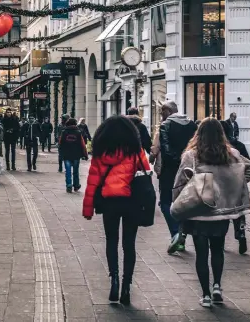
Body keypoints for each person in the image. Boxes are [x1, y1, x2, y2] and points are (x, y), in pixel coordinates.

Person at [172, 118, 250, 308]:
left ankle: (206, 295)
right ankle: (218, 286)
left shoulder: (191, 156)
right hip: (221, 211)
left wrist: (178, 201)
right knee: (217, 249)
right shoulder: (232, 154)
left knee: (201, 254)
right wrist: (233, 186)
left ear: (199, 134)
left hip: (199, 211)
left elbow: (179, 182)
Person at [82, 116, 151, 306]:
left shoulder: (101, 153)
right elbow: (145, 172)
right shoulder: (136, 151)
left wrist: (88, 208)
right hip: (132, 201)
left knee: (111, 240)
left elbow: (93, 182)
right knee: (129, 245)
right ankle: (126, 286)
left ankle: (114, 280)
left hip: (109, 202)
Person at [159, 101, 197, 254]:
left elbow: (166, 151)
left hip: (170, 171)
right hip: (189, 169)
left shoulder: (165, 126)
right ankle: (182, 234)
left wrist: (177, 160)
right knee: (186, 203)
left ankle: (176, 233)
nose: (161, 116)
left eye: (162, 113)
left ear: (168, 111)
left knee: (165, 202)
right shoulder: (192, 124)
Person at [220, 120, 250, 254]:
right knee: (238, 212)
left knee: (224, 213)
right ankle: (241, 233)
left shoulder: (217, 148)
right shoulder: (239, 146)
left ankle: (221, 240)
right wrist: (241, 180)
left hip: (223, 186)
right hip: (237, 186)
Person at [59, 117, 88, 193]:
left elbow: (60, 144)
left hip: (66, 155)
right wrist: (85, 155)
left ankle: (69, 185)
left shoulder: (64, 132)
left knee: (68, 171)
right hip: (76, 155)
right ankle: (76, 185)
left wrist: (61, 154)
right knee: (76, 171)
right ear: (75, 124)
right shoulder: (78, 133)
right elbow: (82, 144)